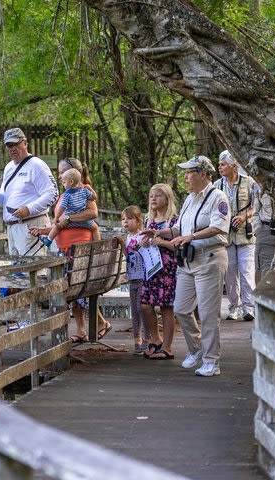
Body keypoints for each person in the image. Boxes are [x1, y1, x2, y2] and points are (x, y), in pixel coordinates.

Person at [141, 155, 229, 377]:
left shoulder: (217, 197)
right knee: (180, 308)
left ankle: (211, 361)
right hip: (187, 262)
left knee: (208, 314)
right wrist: (159, 232)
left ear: (202, 174)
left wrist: (192, 236)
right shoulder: (190, 199)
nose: (185, 177)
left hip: (209, 259)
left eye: (189, 172)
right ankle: (197, 349)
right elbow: (178, 229)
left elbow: (219, 227)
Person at [28, 157, 110, 343]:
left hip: (80, 248)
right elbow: (61, 224)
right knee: (71, 291)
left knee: (79, 289)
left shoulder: (83, 191)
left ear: (73, 173)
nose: (59, 175)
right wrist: (41, 231)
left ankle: (101, 322)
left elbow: (92, 214)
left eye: (62, 171)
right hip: (64, 249)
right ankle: (81, 330)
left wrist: (69, 216)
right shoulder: (67, 192)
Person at [0, 128, 59, 256]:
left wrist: (29, 209)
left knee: (33, 272)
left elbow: (53, 193)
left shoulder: (37, 165)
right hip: (12, 227)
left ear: (25, 143)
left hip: (31, 226)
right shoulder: (9, 167)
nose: (12, 148)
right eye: (9, 145)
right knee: (15, 272)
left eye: (16, 144)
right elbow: (6, 199)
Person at [215, 150, 257, 321]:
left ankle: (249, 307)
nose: (220, 167)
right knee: (230, 273)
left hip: (246, 235)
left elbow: (256, 206)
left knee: (246, 271)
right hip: (227, 236)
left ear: (234, 166)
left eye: (223, 164)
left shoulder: (249, 182)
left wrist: (244, 216)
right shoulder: (218, 186)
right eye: (219, 164)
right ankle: (234, 307)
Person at [140, 184, 179, 360]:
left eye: (158, 196)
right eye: (151, 196)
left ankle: (167, 347)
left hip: (168, 269)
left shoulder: (174, 221)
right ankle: (155, 338)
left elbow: (179, 246)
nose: (154, 199)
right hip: (151, 268)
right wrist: (143, 242)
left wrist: (162, 242)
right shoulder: (148, 220)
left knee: (166, 307)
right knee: (145, 305)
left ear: (167, 199)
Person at [116, 206, 149, 355]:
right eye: (123, 219)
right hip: (132, 278)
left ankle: (148, 339)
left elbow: (147, 253)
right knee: (134, 311)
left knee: (142, 309)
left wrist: (142, 246)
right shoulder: (128, 237)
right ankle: (137, 340)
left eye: (129, 219)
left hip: (143, 277)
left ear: (138, 220)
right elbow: (128, 256)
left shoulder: (142, 236)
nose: (125, 222)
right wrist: (123, 243)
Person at [40, 168, 98, 247]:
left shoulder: (67, 195)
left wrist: (56, 218)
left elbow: (62, 208)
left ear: (71, 182)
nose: (63, 184)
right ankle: (98, 245)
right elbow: (93, 197)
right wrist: (90, 189)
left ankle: (48, 240)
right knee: (95, 228)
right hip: (85, 222)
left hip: (70, 222)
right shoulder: (84, 191)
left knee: (57, 227)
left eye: (64, 182)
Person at [254, 184, 275, 283]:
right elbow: (256, 210)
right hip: (266, 231)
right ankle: (265, 297)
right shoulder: (258, 184)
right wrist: (258, 229)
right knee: (266, 270)